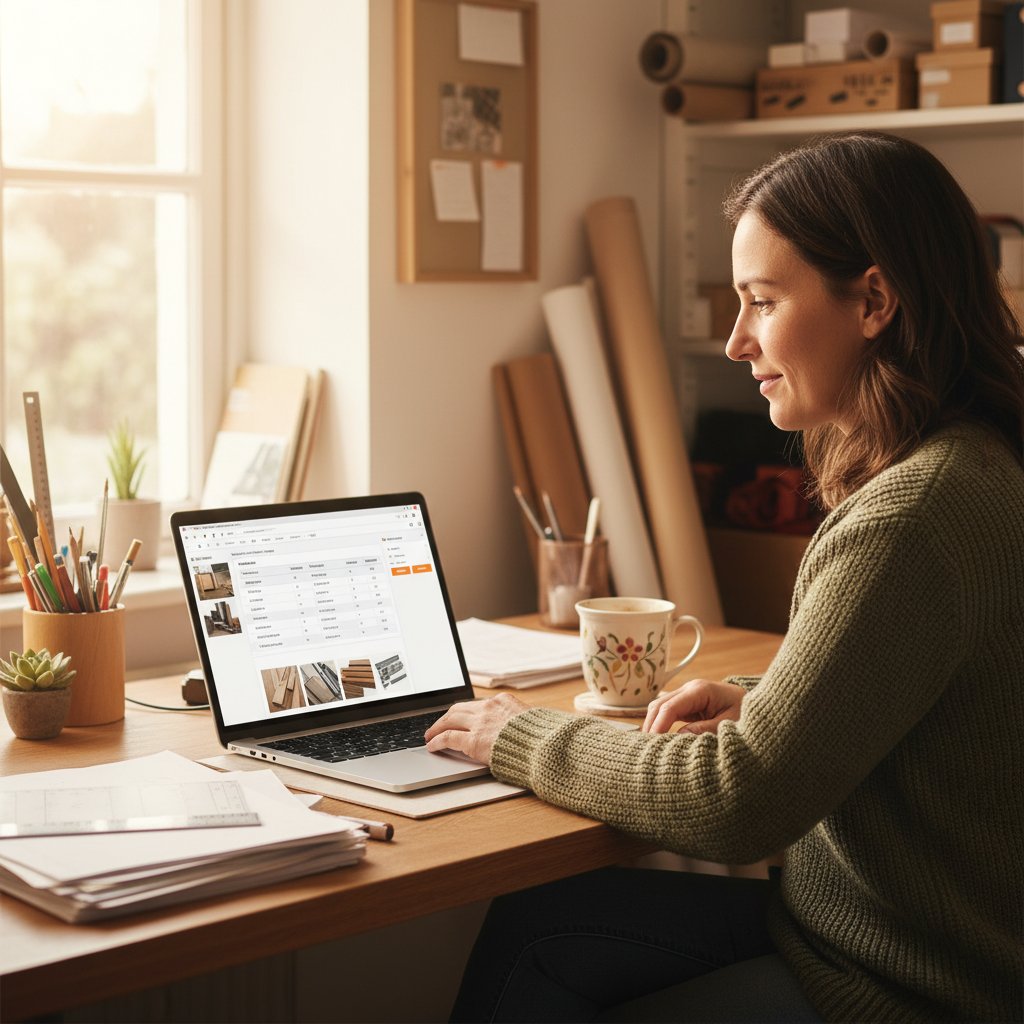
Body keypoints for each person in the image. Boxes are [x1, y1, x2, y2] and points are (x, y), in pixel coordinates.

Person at [424, 131, 1024, 1023]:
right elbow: (931, 701)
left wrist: (515, 737)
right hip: (876, 936)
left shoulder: (911, 520)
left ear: (874, 300)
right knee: (543, 922)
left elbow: (737, 804)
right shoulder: (979, 465)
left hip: (903, 985)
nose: (740, 341)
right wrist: (766, 700)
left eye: (764, 301)